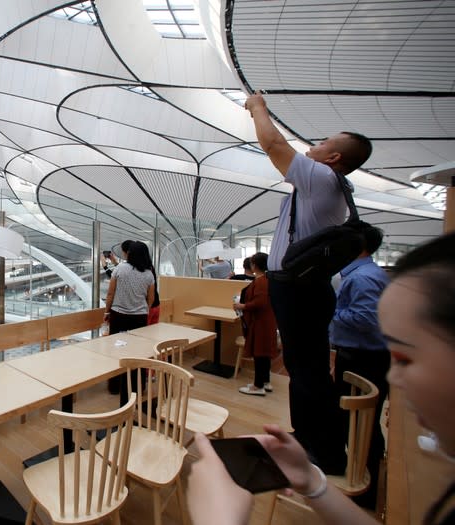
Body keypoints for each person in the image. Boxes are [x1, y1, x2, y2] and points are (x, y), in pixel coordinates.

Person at [187, 232, 455, 525]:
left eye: (406, 357)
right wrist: (313, 484)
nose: (395, 378)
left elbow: (363, 318)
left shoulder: (361, 278)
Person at [245, 91, 373, 474]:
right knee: (307, 370)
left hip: (299, 289)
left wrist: (257, 106)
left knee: (309, 373)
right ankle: (311, 443)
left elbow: (272, 142)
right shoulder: (322, 187)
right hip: (304, 288)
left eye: (321, 144)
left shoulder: (321, 179)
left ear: (334, 158)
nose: (311, 148)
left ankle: (325, 452)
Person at [329, 225, 390, 508]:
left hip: (362, 358)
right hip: (362, 356)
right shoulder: (368, 274)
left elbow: (365, 319)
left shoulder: (362, 278)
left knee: (361, 423)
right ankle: (364, 477)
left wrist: (331, 311)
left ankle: (364, 487)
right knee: (357, 422)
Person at [104, 240, 155, 394]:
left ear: (130, 254)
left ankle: (114, 386)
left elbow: (110, 293)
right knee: (137, 353)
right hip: (139, 318)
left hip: (118, 315)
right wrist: (140, 308)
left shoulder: (120, 269)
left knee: (115, 351)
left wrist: (107, 311)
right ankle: (137, 387)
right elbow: (150, 299)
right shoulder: (148, 274)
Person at [233, 252, 278, 395]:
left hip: (260, 321)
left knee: (260, 352)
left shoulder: (261, 282)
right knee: (264, 352)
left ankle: (257, 386)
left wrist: (242, 306)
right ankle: (265, 381)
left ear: (254, 265)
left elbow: (260, 302)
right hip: (267, 320)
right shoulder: (267, 280)